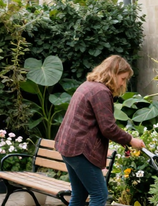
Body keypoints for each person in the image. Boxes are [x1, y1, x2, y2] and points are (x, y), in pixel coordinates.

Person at [55, 55, 146, 206]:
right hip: (80, 150)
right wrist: (130, 140)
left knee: (80, 194)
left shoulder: (87, 85)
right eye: (122, 78)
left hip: (68, 146)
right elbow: (108, 128)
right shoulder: (101, 92)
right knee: (99, 194)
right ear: (112, 73)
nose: (123, 83)